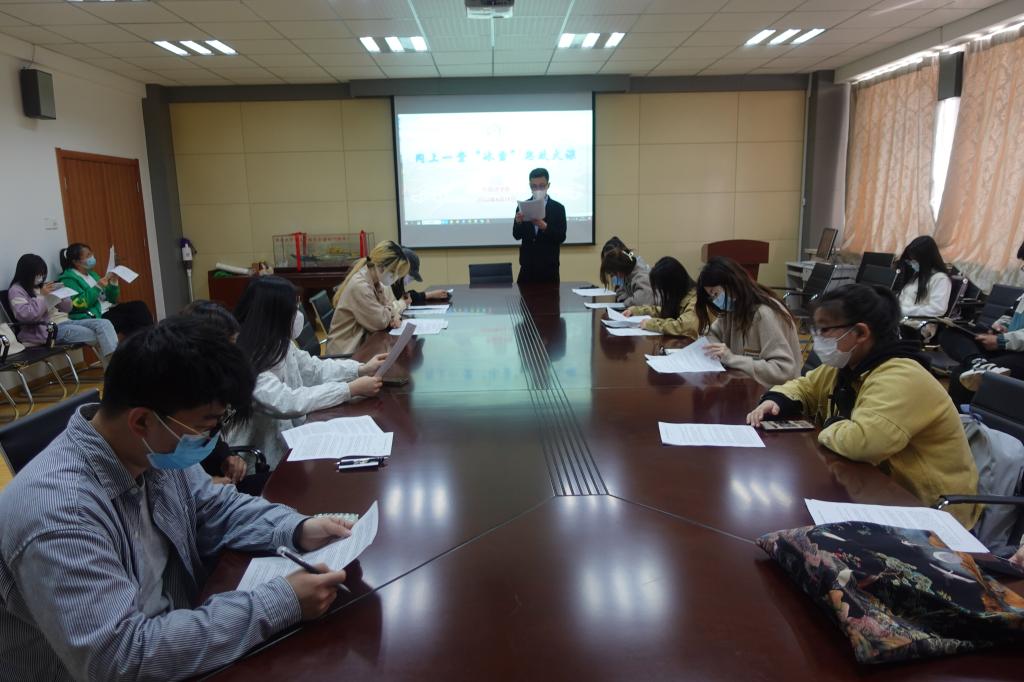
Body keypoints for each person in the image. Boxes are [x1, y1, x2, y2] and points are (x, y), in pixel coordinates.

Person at [0, 316, 356, 681]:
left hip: (175, 630)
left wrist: (297, 528)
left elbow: (215, 505)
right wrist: (281, 602)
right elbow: (121, 658)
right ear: (142, 421)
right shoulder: (60, 515)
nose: (210, 440)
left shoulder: (149, 450)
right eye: (204, 427)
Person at [746, 284, 982, 529]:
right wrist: (777, 400)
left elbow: (863, 443)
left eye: (824, 330)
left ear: (860, 332)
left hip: (927, 509)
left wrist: (828, 426)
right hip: (873, 490)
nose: (817, 338)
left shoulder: (902, 376)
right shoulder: (847, 366)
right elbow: (804, 387)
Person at [229, 276, 387, 468]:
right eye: (294, 309)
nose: (298, 315)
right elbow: (288, 401)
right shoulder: (248, 357)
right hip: (258, 462)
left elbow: (314, 369)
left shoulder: (280, 343)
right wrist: (349, 390)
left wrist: (360, 369)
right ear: (275, 314)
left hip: (291, 441)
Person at [181, 299, 268, 495]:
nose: (233, 354)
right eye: (228, 346)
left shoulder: (216, 382)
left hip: (215, 486)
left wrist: (226, 457)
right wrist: (206, 483)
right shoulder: (183, 394)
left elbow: (209, 439)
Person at [940, 241, 1024, 405]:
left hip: (1019, 353)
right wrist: (999, 327)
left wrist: (1000, 341)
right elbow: (1010, 315)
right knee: (951, 332)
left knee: (961, 375)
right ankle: (978, 362)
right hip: (1009, 345)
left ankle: (966, 416)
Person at [695, 256, 801, 386]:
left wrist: (731, 359)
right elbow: (709, 334)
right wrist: (717, 351)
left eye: (715, 293)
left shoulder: (764, 313)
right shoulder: (733, 309)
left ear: (732, 284)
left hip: (777, 393)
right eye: (711, 297)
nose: (715, 300)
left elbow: (783, 371)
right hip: (747, 386)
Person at [7, 253, 118, 362]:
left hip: (65, 321)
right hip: (49, 330)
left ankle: (115, 366)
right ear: (26, 273)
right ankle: (116, 367)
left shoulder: (42, 286)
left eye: (42, 274)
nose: (40, 277)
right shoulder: (16, 290)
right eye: (37, 274)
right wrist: (42, 296)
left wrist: (63, 294)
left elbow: (67, 309)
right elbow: (27, 316)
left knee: (104, 324)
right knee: (102, 336)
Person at [326, 241, 410, 356]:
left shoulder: (375, 282)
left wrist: (392, 314)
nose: (396, 278)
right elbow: (380, 321)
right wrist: (392, 313)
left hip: (361, 347)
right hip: (345, 354)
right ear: (381, 267)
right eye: (393, 273)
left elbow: (387, 307)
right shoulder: (361, 286)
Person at [57, 242, 153, 337]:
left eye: (91, 254)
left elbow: (112, 299)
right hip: (95, 315)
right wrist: (97, 287)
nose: (92, 257)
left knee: (139, 306)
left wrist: (114, 281)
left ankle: (150, 340)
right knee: (128, 320)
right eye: (88, 255)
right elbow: (79, 304)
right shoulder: (68, 279)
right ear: (76, 262)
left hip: (108, 309)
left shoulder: (92, 274)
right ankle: (145, 343)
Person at [621, 256, 700, 338]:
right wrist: (636, 311)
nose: (661, 293)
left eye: (662, 289)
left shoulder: (695, 300)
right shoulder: (680, 294)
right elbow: (665, 311)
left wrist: (652, 324)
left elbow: (683, 327)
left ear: (673, 285)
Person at [512, 167, 567, 284]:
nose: (538, 189)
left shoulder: (558, 208)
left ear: (548, 185)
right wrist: (518, 222)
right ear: (530, 186)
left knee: (551, 296)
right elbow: (516, 235)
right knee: (522, 295)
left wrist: (545, 227)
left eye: (541, 186)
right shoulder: (523, 206)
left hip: (549, 268)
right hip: (527, 267)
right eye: (534, 186)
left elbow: (561, 237)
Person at [894, 236, 952, 338]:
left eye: (915, 261)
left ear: (926, 259)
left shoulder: (940, 279)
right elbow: (904, 297)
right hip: (902, 320)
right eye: (910, 261)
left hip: (917, 326)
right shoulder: (917, 275)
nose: (912, 264)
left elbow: (937, 309)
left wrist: (905, 311)